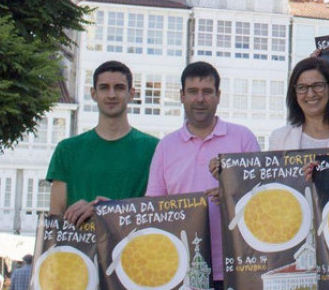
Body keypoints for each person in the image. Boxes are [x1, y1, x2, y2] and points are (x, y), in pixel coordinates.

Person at [146, 61, 259, 290]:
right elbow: (153, 208)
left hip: (237, 266)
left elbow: (262, 197)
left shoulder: (243, 138)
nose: (200, 99)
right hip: (182, 269)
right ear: (181, 96)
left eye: (207, 92)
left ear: (218, 96)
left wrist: (231, 193)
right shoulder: (166, 146)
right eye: (193, 92)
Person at [47, 61, 158, 227]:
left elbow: (161, 213)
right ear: (93, 93)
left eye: (119, 87)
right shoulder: (67, 150)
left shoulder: (155, 149)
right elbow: (55, 218)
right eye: (104, 87)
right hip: (80, 248)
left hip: (134, 248)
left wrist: (107, 211)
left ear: (131, 93)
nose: (111, 95)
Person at [270, 57, 329, 152]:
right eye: (302, 87)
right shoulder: (279, 138)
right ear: (294, 93)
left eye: (318, 85)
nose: (310, 94)